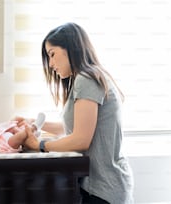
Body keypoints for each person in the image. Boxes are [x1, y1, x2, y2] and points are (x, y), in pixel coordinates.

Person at [14, 23, 134, 204]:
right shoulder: (88, 77)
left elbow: (80, 140)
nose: (51, 64)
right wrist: (37, 123)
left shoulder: (86, 80)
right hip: (103, 186)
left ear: (70, 48)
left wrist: (40, 144)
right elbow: (76, 127)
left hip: (104, 189)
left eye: (52, 54)